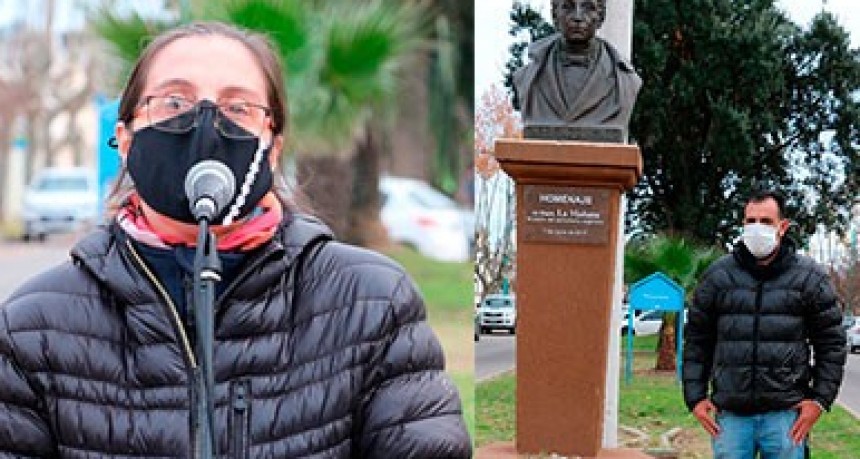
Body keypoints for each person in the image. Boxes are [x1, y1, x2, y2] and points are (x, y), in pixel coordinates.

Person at [0, 21, 471, 458]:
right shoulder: (31, 327)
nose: (205, 125)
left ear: (274, 147)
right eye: (174, 102)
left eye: (237, 108)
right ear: (124, 137)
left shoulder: (371, 301)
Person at [683, 189, 846, 458]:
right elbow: (698, 340)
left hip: (786, 417)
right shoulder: (718, 276)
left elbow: (832, 343)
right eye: (750, 221)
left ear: (782, 227)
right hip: (731, 417)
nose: (757, 228)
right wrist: (695, 397)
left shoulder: (809, 278)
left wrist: (819, 400)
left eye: (766, 222)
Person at [512, 0, 641, 134]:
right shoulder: (528, 78)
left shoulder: (625, 81)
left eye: (588, 7)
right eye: (567, 7)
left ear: (601, 16)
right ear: (554, 15)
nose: (577, 16)